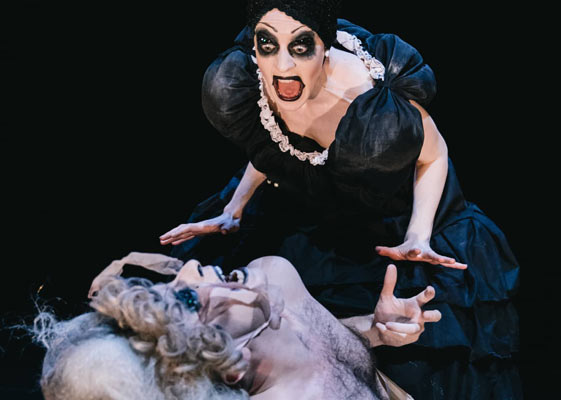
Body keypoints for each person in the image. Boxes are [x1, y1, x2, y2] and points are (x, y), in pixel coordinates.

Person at [159, 1, 521, 398]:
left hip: (396, 217)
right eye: (267, 44)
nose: (282, 64)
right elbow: (273, 150)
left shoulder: (371, 96)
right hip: (321, 210)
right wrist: (235, 207)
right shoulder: (255, 77)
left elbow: (433, 156)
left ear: (325, 47)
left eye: (301, 47)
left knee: (407, 362)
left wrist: (418, 234)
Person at [36, 252, 442, 399]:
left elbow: (329, 346)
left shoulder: (276, 276)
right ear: (229, 365)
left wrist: (375, 330)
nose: (191, 269)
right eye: (189, 300)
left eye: (170, 285)